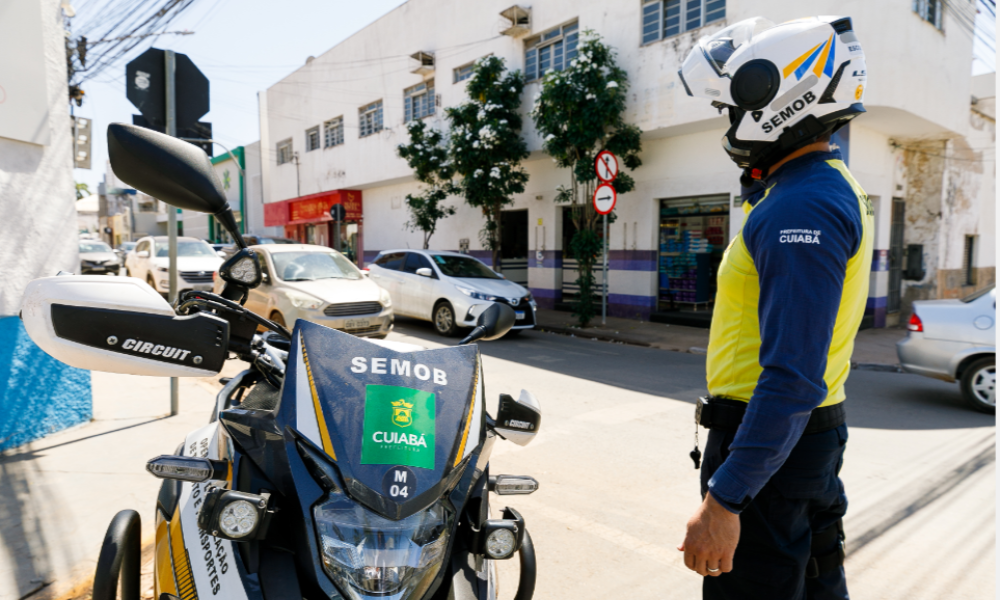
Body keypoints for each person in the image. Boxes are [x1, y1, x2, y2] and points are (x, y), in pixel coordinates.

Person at [675, 16, 873, 599]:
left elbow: (790, 374)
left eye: (730, 107)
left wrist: (725, 498)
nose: (729, 124)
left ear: (777, 95)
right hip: (797, 443)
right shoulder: (818, 188)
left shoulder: (800, 208)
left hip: (768, 450)